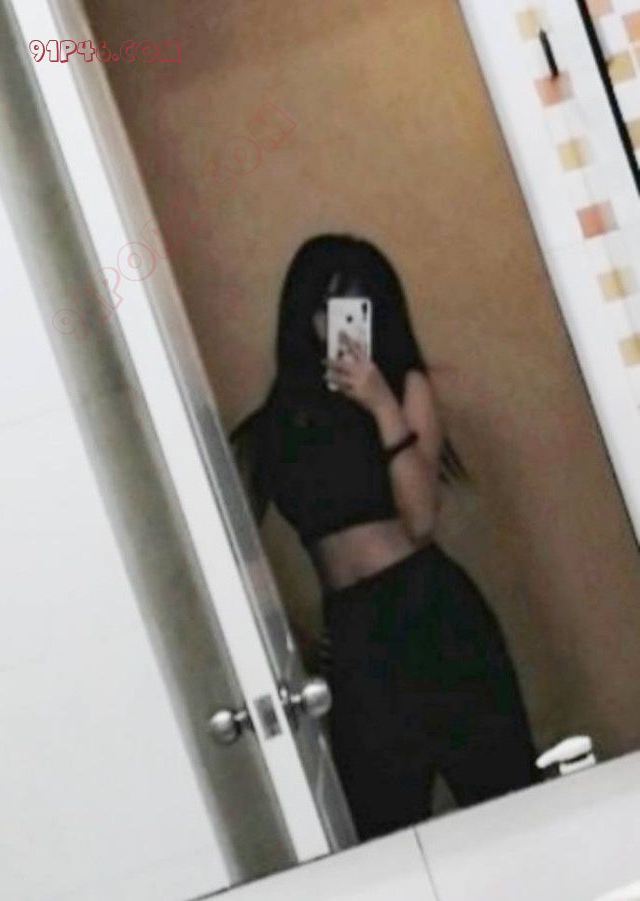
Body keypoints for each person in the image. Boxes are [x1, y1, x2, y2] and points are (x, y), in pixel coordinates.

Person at [231, 234, 539, 841]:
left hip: (432, 612)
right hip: (354, 631)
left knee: (506, 798)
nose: (342, 323)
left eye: (359, 305)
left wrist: (379, 405)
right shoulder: (277, 424)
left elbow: (420, 520)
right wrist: (293, 640)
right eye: (328, 305)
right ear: (304, 314)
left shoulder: (403, 387)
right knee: (383, 828)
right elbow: (235, 555)